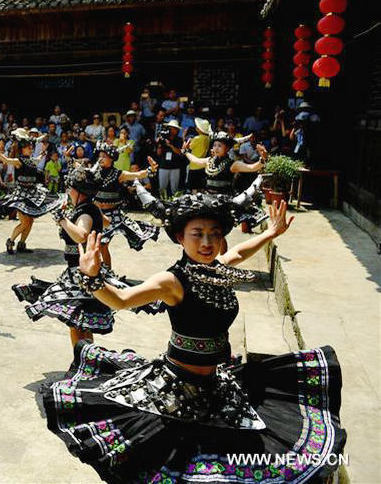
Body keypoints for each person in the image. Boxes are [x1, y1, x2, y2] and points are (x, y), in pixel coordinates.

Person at [37, 196, 345, 484]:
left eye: (214, 233)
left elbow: (239, 251)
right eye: (197, 234)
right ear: (179, 237)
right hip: (176, 389)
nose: (207, 243)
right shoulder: (171, 281)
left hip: (216, 384)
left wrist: (270, 234)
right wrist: (91, 278)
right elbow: (121, 299)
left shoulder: (218, 268)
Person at [12, 167, 127, 348]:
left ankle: (81, 361)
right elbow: (107, 222)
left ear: (78, 191)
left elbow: (81, 234)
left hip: (81, 275)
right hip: (82, 272)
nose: (68, 191)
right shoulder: (89, 208)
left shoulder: (85, 212)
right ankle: (86, 360)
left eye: (70, 188)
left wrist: (62, 219)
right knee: (82, 323)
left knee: (77, 324)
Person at [0, 129, 64, 254]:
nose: (31, 149)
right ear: (22, 149)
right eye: (28, 148)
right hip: (22, 195)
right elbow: (6, 160)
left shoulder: (31, 161)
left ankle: (22, 244)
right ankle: (10, 241)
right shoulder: (18, 161)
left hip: (33, 193)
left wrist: (43, 151)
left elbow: (39, 158)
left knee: (30, 221)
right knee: (25, 222)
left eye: (31, 148)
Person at [91, 141, 160, 265]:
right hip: (96, 213)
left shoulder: (119, 174)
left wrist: (151, 170)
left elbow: (137, 174)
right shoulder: (93, 172)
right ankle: (98, 271)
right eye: (99, 156)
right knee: (95, 245)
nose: (100, 159)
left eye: (104, 156)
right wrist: (69, 158)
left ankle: (107, 273)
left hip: (112, 215)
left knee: (103, 245)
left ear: (111, 159)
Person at [154, 119, 185, 197]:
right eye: (170, 128)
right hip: (163, 166)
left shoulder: (179, 140)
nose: (172, 130)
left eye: (174, 128)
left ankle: (174, 204)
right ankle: (162, 203)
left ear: (177, 130)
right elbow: (158, 153)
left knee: (174, 189)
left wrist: (170, 145)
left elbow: (180, 153)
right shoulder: (163, 138)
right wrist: (159, 144)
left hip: (175, 167)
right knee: (162, 187)